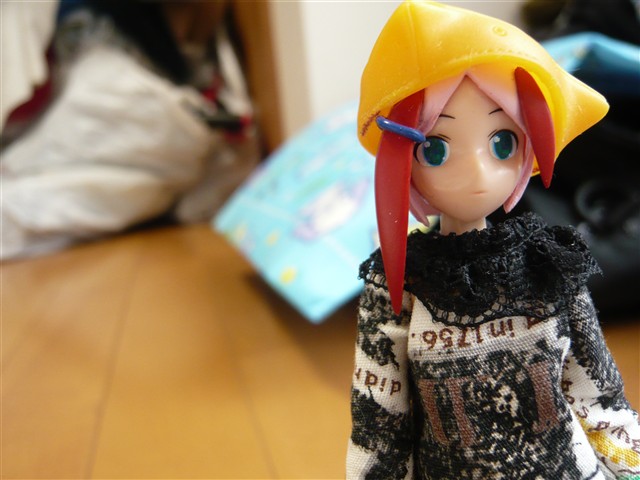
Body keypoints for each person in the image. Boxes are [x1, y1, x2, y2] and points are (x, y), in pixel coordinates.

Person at [346, 2, 640, 479]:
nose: (479, 174)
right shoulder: (399, 284)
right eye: (435, 149)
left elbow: (596, 392)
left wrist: (630, 467)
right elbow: (379, 418)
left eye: (503, 142)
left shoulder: (549, 262)